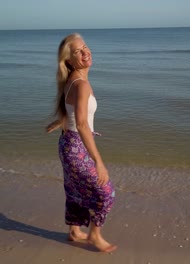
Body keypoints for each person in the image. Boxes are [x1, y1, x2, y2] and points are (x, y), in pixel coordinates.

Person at [46, 33, 117, 253]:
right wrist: (99, 161)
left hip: (68, 143)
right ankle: (95, 236)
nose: (86, 53)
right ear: (69, 60)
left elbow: (75, 114)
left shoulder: (72, 81)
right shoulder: (81, 85)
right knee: (106, 192)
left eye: (85, 47)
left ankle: (75, 232)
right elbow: (83, 125)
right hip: (76, 147)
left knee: (74, 188)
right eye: (78, 51)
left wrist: (61, 122)